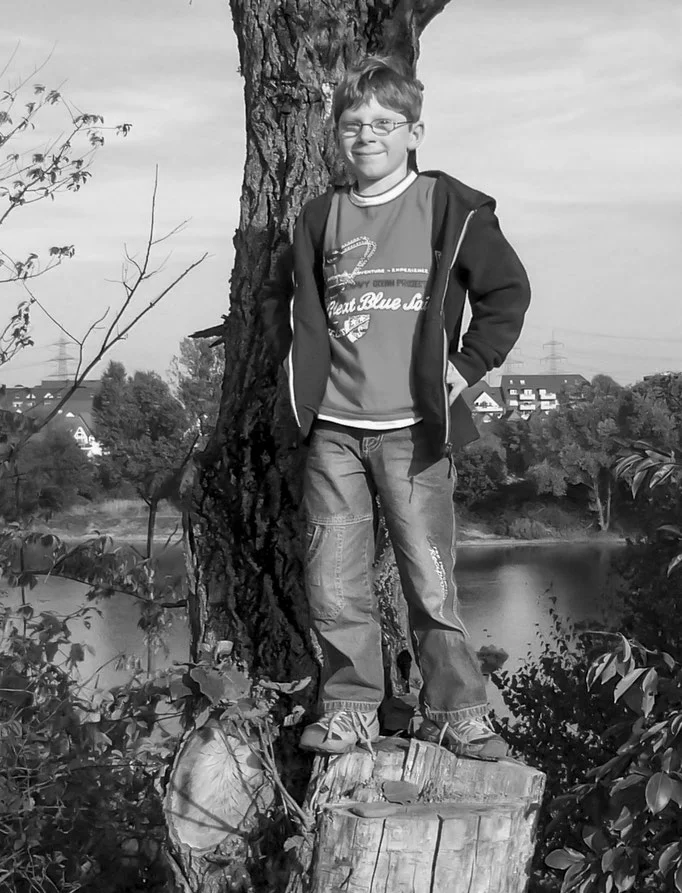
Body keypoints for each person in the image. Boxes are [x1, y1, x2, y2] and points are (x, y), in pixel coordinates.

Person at [260, 55, 531, 760]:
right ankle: (351, 708)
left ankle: (456, 713)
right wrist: (296, 373)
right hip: (334, 432)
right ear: (336, 134)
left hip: (415, 431)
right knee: (333, 581)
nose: (368, 136)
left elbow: (507, 294)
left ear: (415, 132)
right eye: (354, 124)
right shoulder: (319, 217)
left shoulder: (449, 207)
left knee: (430, 582)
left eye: (385, 123)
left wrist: (466, 366)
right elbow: (285, 302)